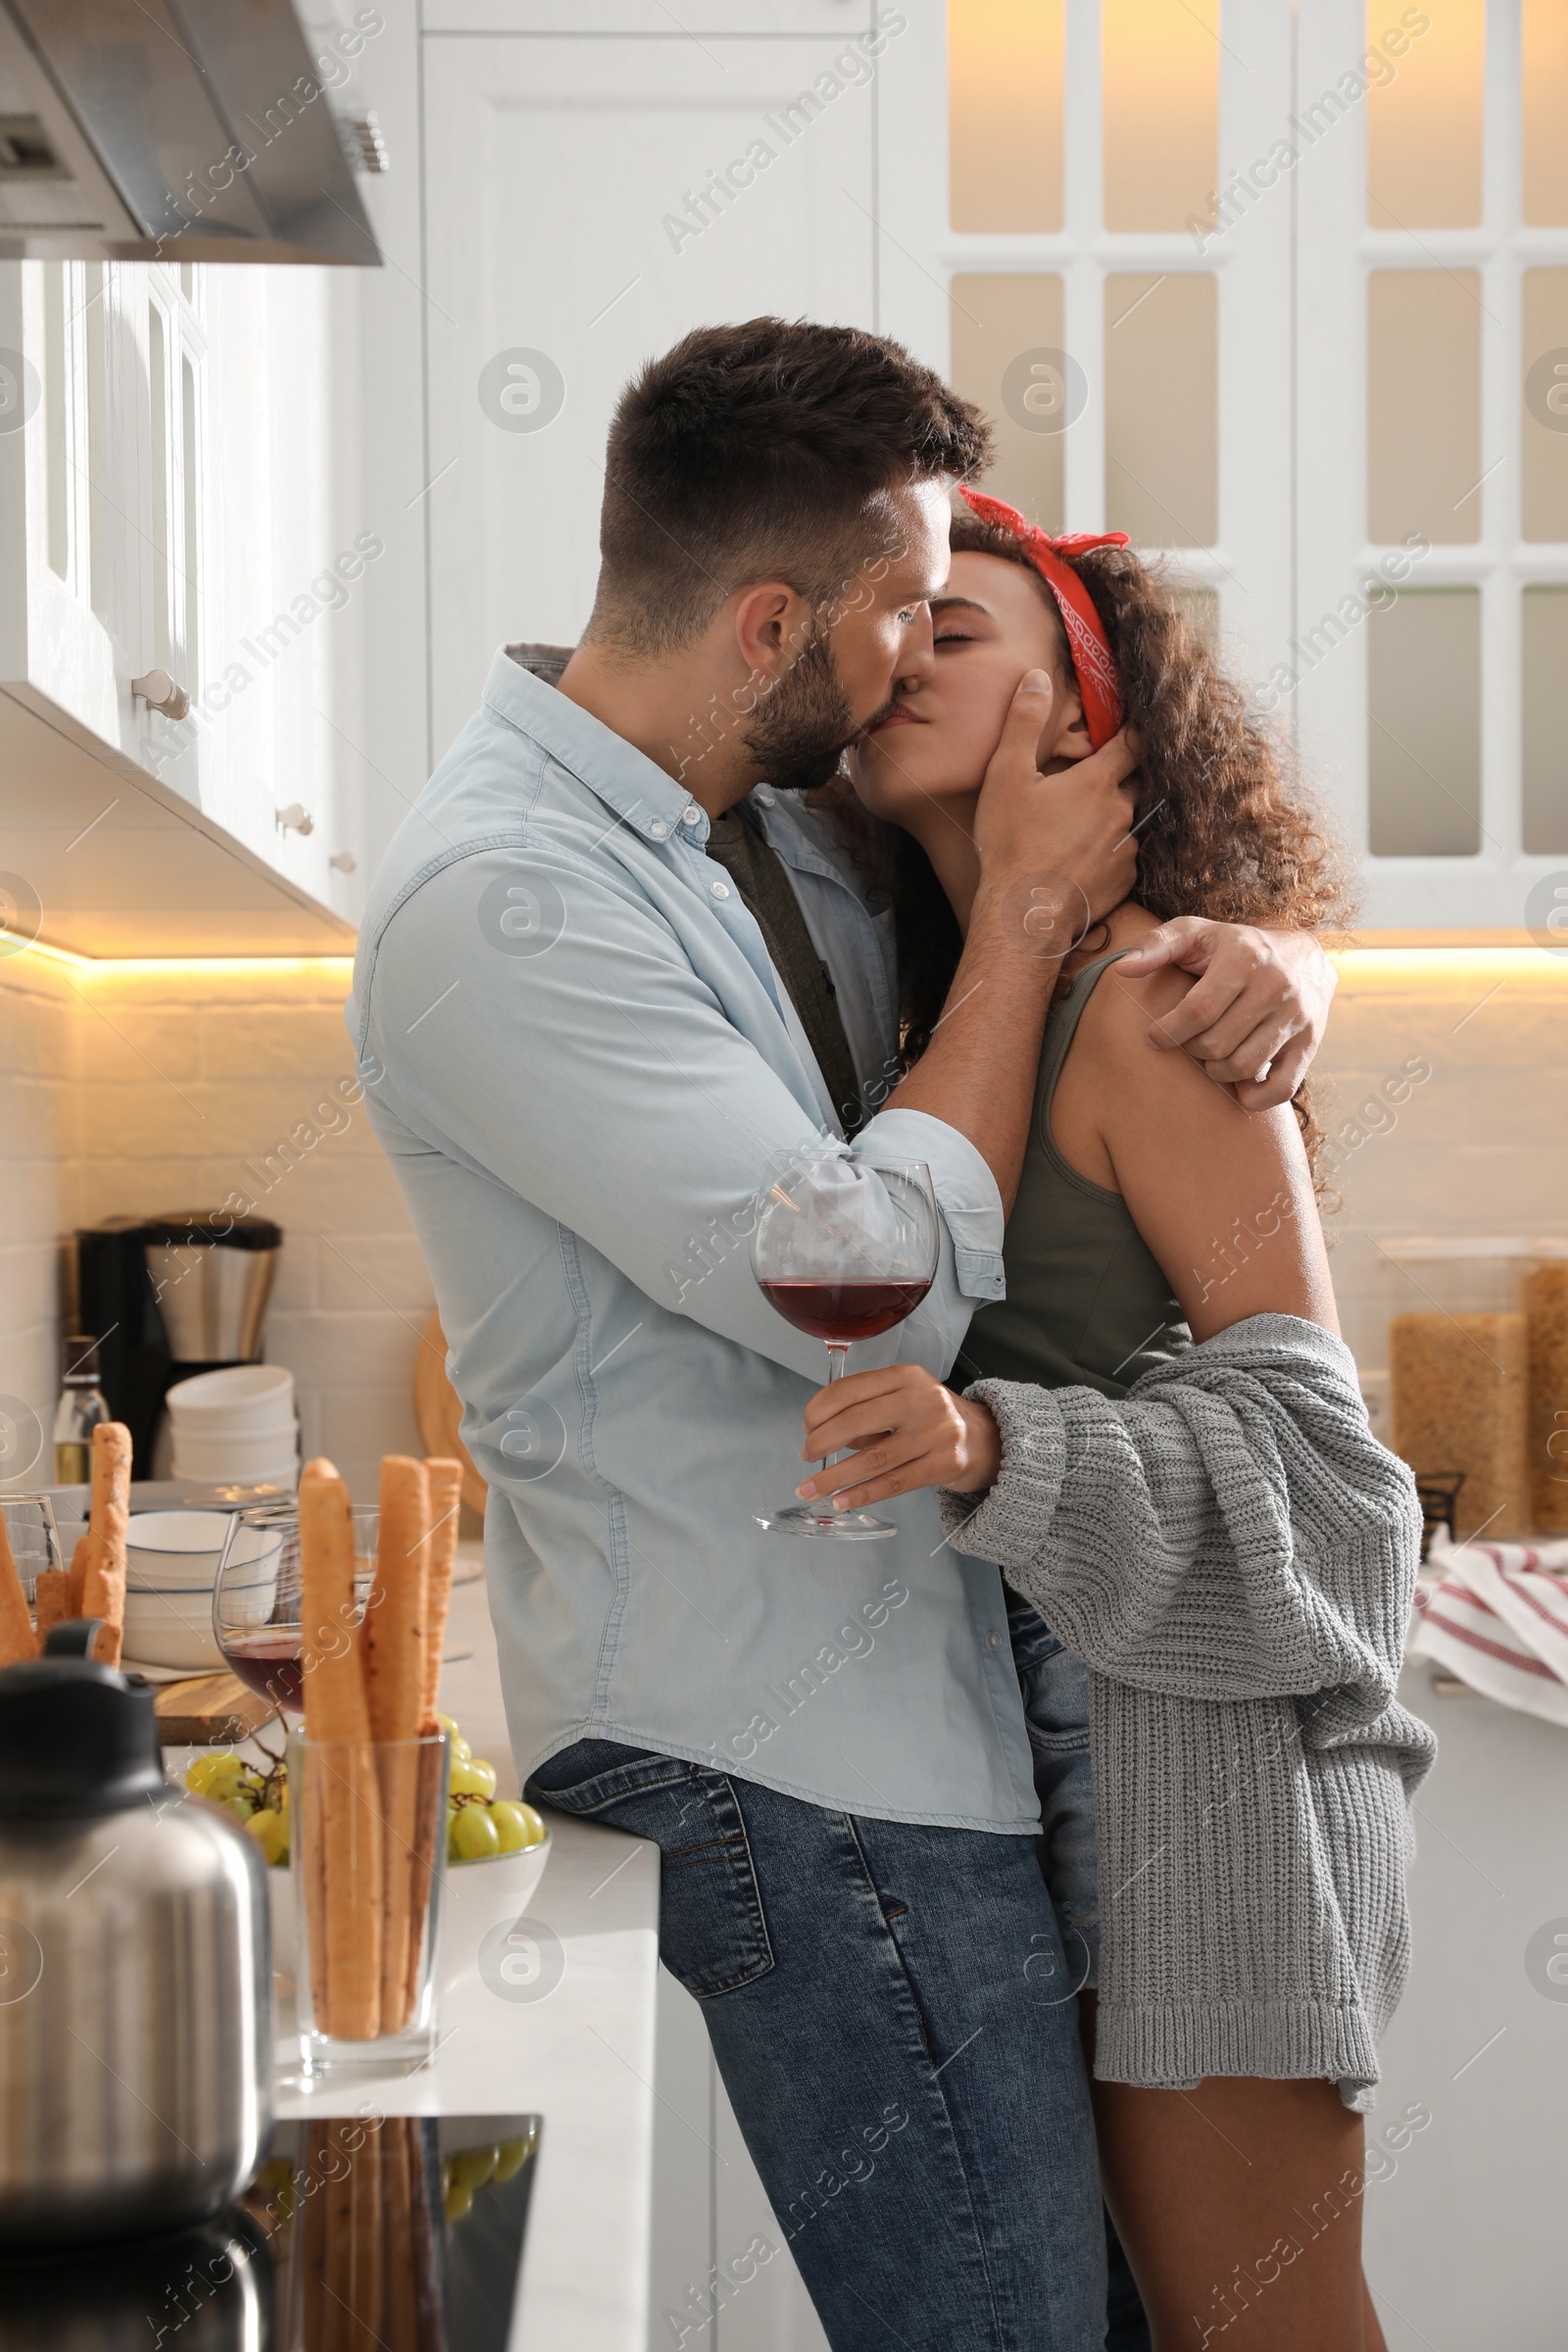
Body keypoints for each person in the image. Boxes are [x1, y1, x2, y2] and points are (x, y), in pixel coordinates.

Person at [351, 318, 1340, 2352]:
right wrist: (1040, 926)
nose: (904, 663)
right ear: (776, 622)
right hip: (794, 1745)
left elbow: (1148, 882)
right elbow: (866, 1273)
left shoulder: (756, 831)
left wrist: (1283, 958)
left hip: (971, 1736)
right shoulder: (511, 898)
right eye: (901, 612)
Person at [796, 488, 1436, 2350]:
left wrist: (1000, 1450)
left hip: (1207, 1777)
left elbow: (1335, 1494)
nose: (906, 653)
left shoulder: (1155, 1003)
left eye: (965, 632)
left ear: (1082, 715)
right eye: (896, 621)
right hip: (1028, 1742)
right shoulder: (943, 1000)